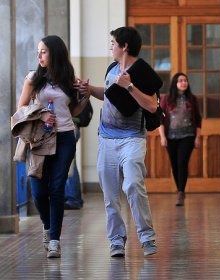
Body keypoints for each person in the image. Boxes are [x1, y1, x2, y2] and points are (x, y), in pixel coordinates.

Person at [79, 26, 158, 257]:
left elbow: (152, 105)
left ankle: (147, 237)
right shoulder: (112, 68)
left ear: (124, 46)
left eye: (113, 42)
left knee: (133, 185)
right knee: (110, 194)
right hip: (106, 138)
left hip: (132, 138)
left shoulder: (142, 72)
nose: (110, 46)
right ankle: (116, 240)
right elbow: (108, 94)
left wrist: (130, 86)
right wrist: (88, 89)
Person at [17, 35, 90, 258]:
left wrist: (85, 96)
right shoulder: (32, 78)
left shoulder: (69, 79)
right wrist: (41, 114)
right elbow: (21, 108)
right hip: (39, 139)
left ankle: (55, 241)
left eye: (44, 51)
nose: (39, 55)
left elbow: (74, 111)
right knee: (38, 190)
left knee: (57, 188)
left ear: (55, 53)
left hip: (65, 137)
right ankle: (47, 227)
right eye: (38, 51)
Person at [158, 73, 202, 206]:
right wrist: (162, 137)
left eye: (185, 80)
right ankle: (180, 190)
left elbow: (198, 120)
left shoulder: (192, 99)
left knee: (182, 162)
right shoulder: (166, 99)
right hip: (170, 137)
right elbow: (160, 119)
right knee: (175, 164)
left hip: (188, 136)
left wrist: (197, 138)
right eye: (180, 81)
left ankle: (181, 192)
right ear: (175, 84)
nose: (184, 83)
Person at [64, 126, 84, 210]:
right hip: (70, 128)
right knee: (68, 163)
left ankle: (73, 199)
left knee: (68, 163)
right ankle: (72, 198)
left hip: (67, 128)